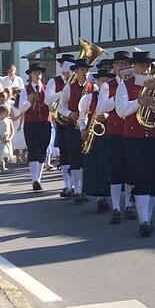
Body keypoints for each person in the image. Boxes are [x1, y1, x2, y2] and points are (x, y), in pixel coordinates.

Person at [115, 52, 155, 237]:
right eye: (140, 66)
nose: (144, 69)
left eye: (147, 66)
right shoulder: (124, 85)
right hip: (134, 138)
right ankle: (143, 220)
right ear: (134, 68)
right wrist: (139, 102)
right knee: (141, 177)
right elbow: (121, 111)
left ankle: (148, 217)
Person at [97, 51, 132, 223]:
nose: (121, 67)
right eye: (118, 64)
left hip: (132, 132)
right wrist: (117, 97)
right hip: (115, 132)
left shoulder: (135, 83)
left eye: (124, 64)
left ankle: (129, 206)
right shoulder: (107, 86)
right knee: (116, 172)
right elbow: (101, 108)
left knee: (131, 171)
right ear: (113, 67)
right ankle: (116, 208)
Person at [79, 66, 114, 213]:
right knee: (96, 166)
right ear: (98, 82)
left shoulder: (115, 97)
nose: (104, 83)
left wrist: (107, 116)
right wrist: (82, 129)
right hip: (94, 134)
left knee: (110, 166)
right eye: (102, 80)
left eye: (107, 80)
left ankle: (112, 198)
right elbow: (82, 116)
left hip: (111, 133)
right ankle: (100, 199)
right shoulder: (89, 98)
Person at [58, 59, 92, 202]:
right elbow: (60, 106)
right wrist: (69, 114)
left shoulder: (93, 87)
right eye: (82, 70)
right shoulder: (69, 87)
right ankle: (77, 190)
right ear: (76, 72)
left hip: (89, 127)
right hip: (73, 126)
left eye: (86, 70)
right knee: (75, 157)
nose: (85, 72)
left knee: (87, 158)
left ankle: (84, 189)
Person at [18, 65, 52, 191]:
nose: (37, 75)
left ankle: (39, 178)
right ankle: (34, 180)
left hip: (45, 123)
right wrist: (29, 101)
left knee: (42, 150)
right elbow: (21, 108)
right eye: (35, 73)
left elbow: (51, 106)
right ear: (30, 75)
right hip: (31, 123)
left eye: (39, 73)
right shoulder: (25, 90)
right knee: (33, 150)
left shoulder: (47, 89)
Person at [46, 54, 75, 195]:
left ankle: (77, 186)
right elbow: (47, 99)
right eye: (66, 65)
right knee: (65, 153)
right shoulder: (54, 81)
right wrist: (62, 93)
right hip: (62, 121)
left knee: (75, 153)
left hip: (75, 119)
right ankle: (68, 185)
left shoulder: (77, 81)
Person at [0, 104, 15, 172]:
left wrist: (10, 138)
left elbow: (12, 131)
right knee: (2, 153)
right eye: (6, 112)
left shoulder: (9, 121)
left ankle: (5, 165)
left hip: (8, 140)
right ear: (1, 112)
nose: (7, 114)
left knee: (7, 153)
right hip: (1, 140)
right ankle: (2, 167)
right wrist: (1, 138)